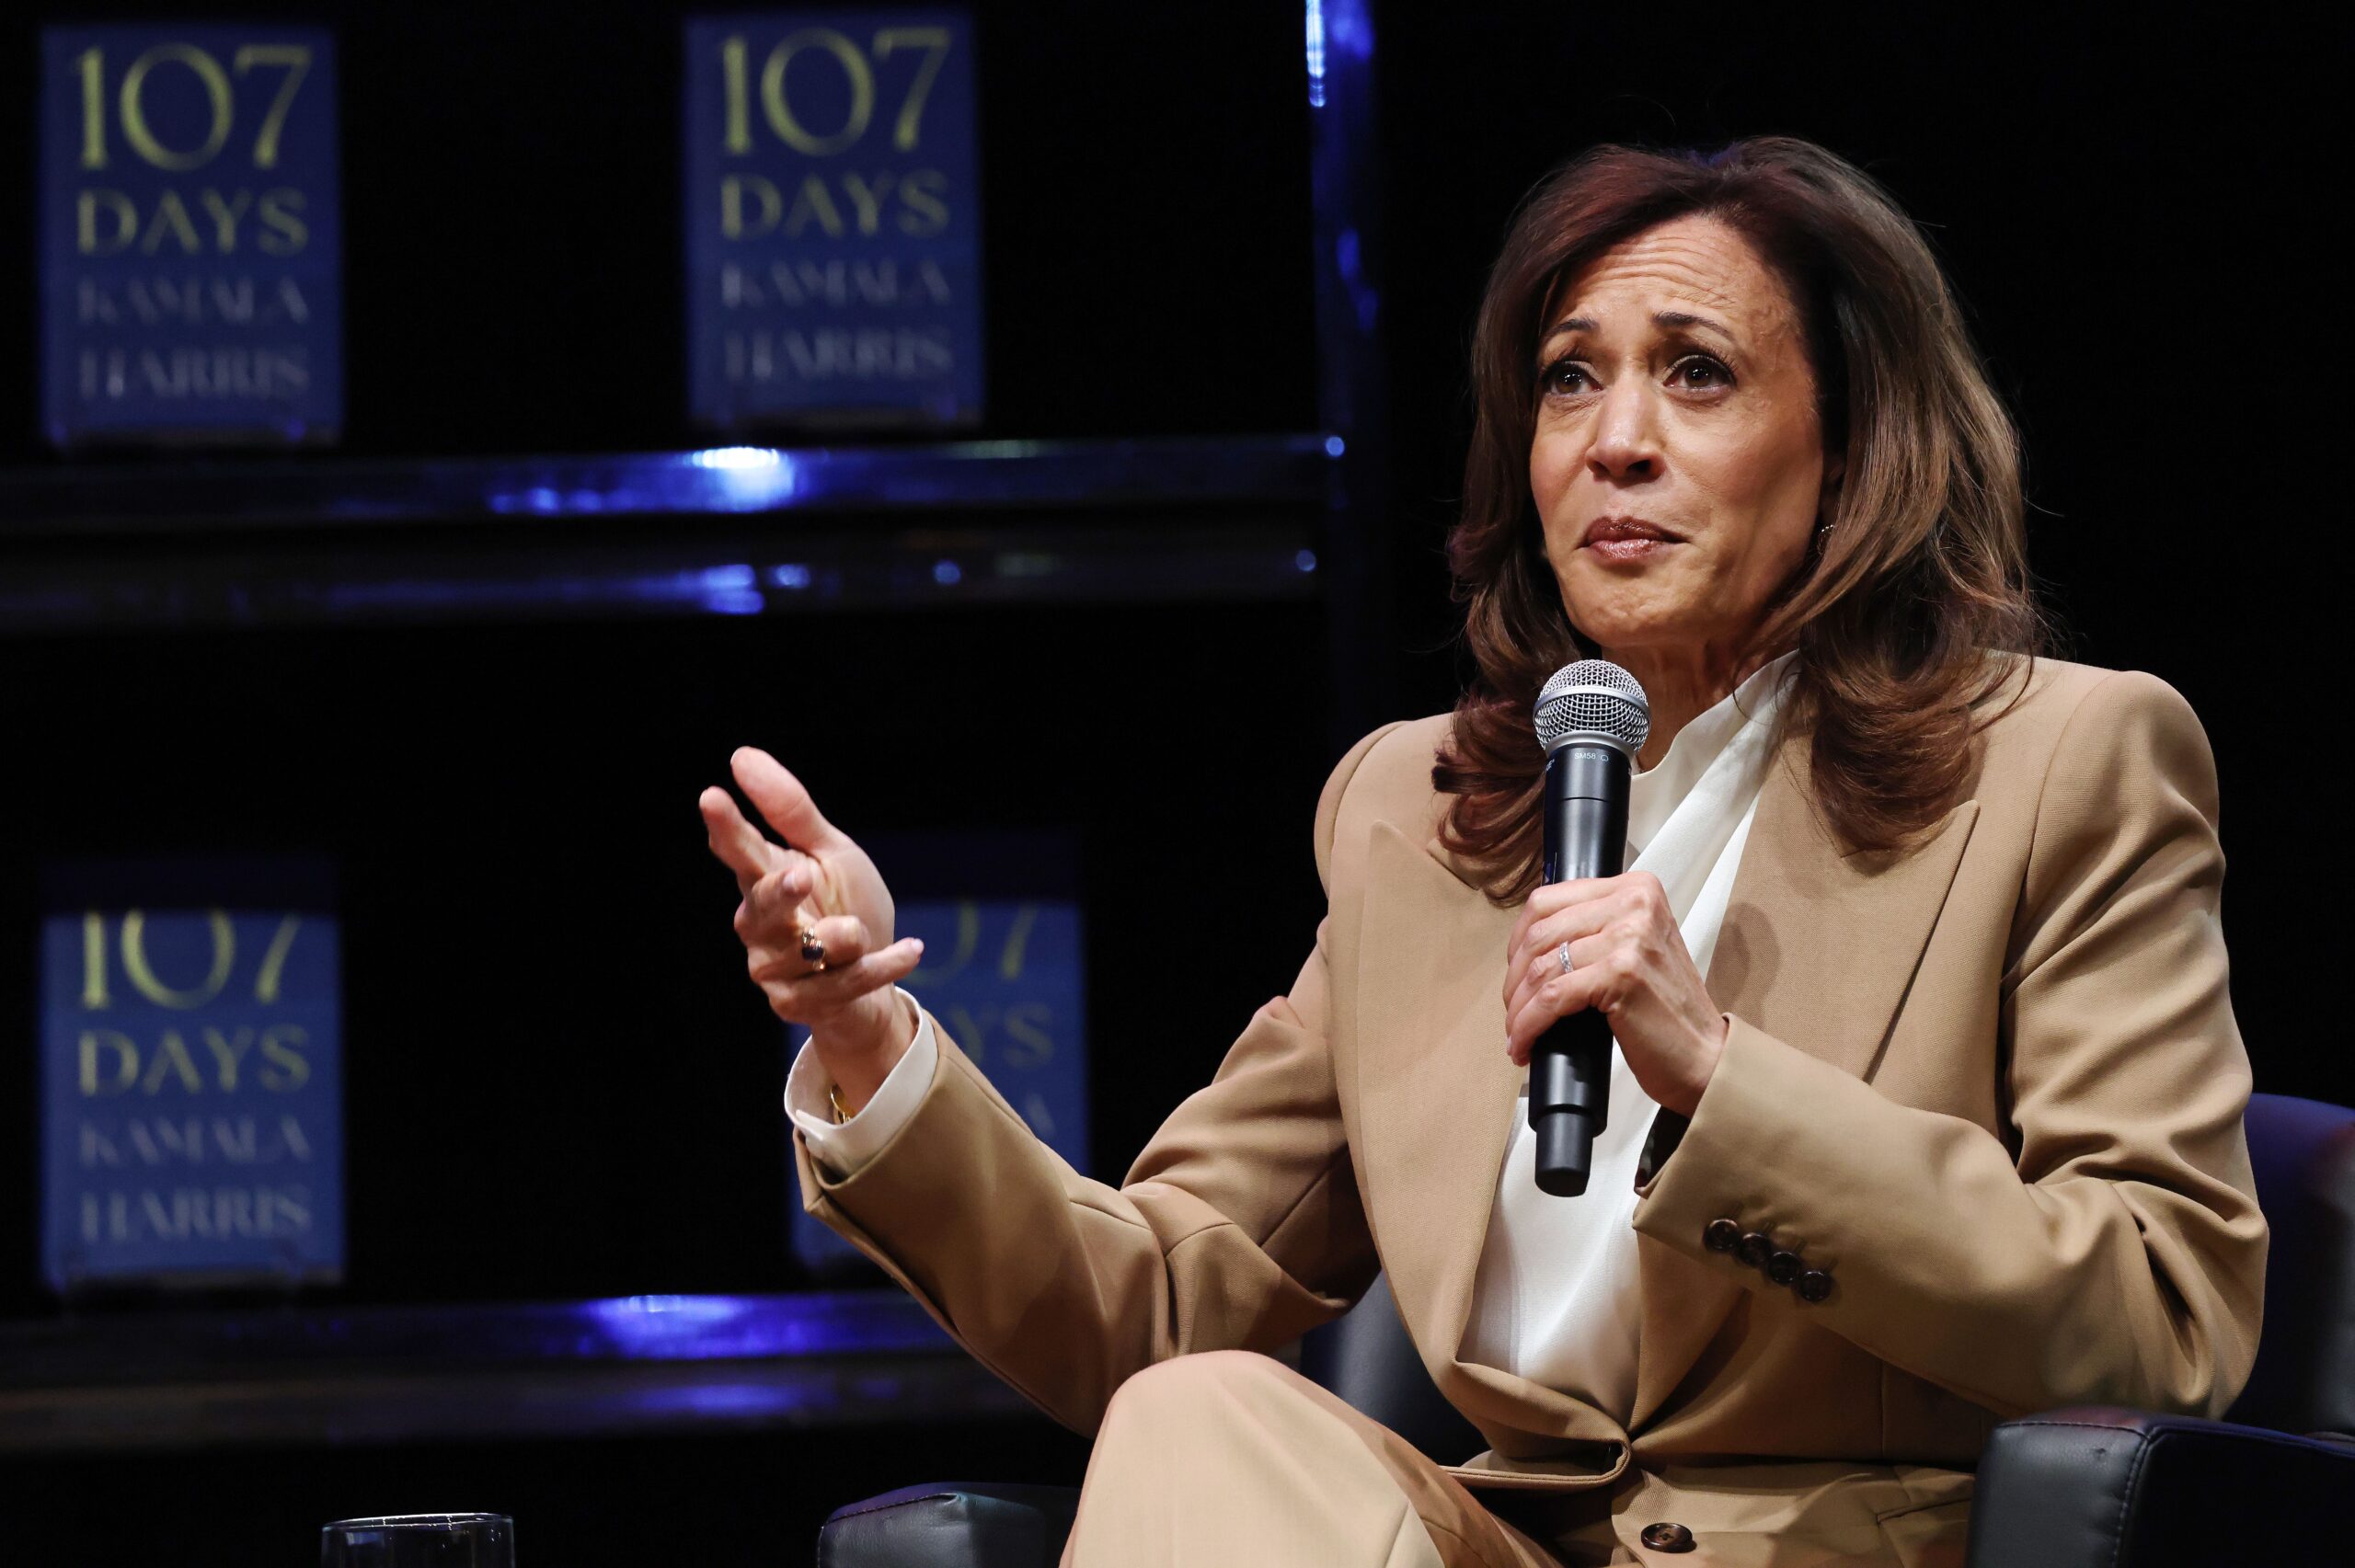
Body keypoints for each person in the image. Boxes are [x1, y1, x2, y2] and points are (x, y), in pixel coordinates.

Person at [698, 136, 2266, 1567]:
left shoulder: (2063, 763)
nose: (1615, 442)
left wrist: (1721, 1081)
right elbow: (1164, 1300)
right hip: (1500, 1544)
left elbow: (2157, 1316)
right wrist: (868, 1037)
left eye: (1698, 375)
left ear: (1851, 449)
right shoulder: (1422, 813)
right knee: (1197, 1409)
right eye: (1571, 381)